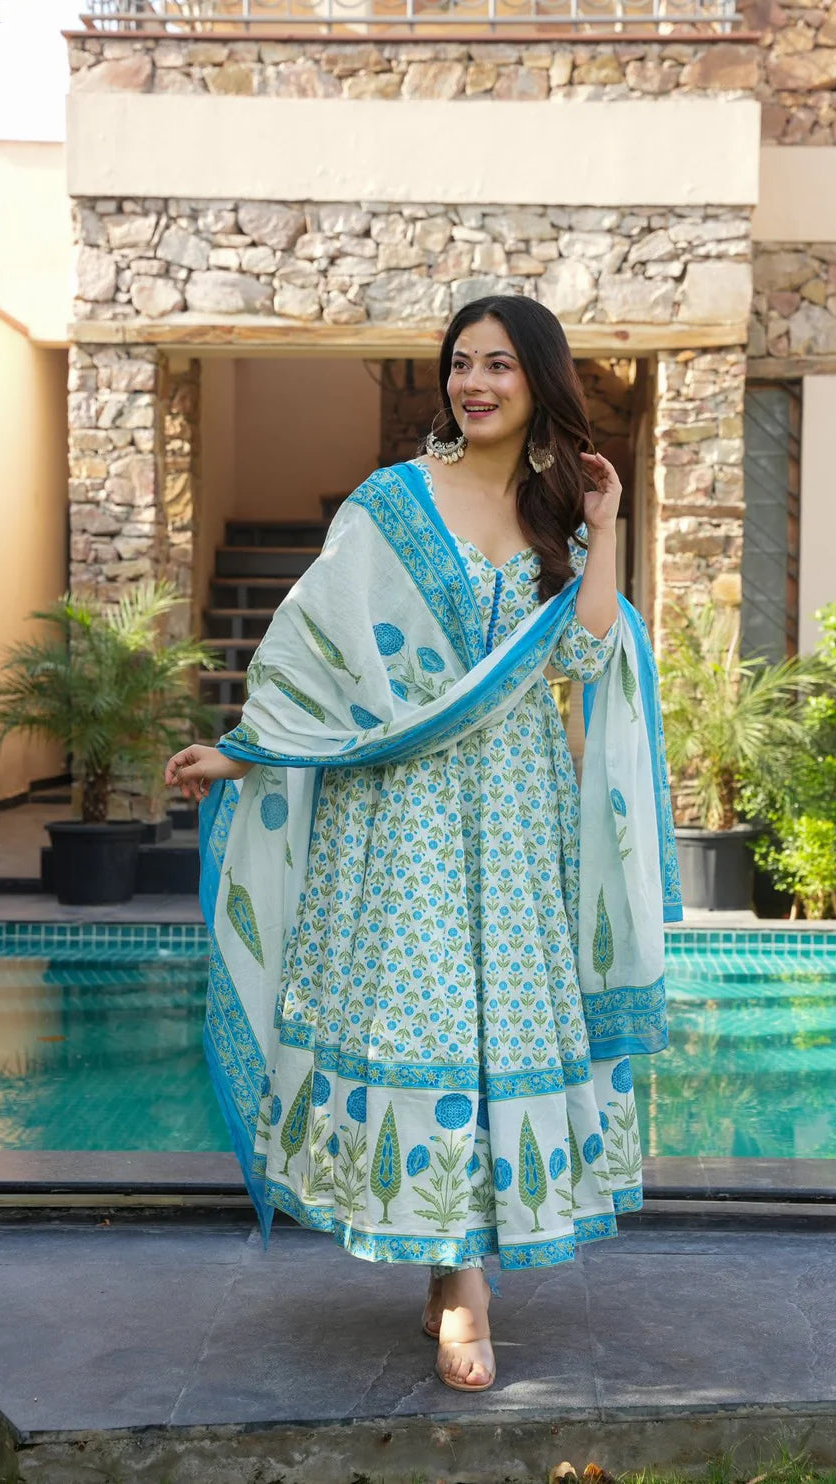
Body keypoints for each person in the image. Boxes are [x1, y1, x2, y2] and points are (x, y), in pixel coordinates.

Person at [165, 294, 682, 1394]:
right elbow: (317, 651)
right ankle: (462, 1284)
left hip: (517, 817)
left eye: (498, 365)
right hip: (402, 816)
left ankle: (455, 1268)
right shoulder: (391, 503)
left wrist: (607, 523)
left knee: (500, 1034)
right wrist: (245, 751)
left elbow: (586, 658)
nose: (473, 383)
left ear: (539, 380)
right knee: (433, 1024)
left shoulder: (558, 513)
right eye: (460, 363)